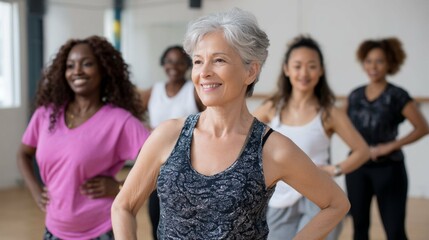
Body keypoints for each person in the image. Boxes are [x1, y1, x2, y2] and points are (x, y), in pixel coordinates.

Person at [112, 8, 350, 240]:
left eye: (218, 60)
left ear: (251, 71)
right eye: (197, 61)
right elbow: (123, 206)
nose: (203, 72)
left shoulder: (273, 149)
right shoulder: (168, 135)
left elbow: (335, 204)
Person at [17, 35, 150, 240]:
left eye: (87, 64)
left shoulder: (119, 121)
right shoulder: (45, 114)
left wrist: (119, 187)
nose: (77, 71)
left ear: (104, 70)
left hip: (101, 228)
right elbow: (23, 154)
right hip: (54, 229)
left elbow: (160, 164)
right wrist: (36, 191)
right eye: (70, 66)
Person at [253, 35, 369, 240]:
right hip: (280, 198)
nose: (304, 73)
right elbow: (242, 137)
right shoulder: (272, 108)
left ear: (321, 70)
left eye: (312, 66)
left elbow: (362, 150)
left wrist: (335, 169)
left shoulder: (329, 112)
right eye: (297, 66)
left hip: (319, 199)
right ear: (287, 69)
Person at [345, 37, 429, 240]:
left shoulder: (398, 95)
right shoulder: (355, 95)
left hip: (389, 170)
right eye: (368, 60)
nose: (372, 66)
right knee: (359, 229)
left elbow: (422, 128)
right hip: (358, 169)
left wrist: (389, 147)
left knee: (395, 231)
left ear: (390, 63)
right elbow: (342, 128)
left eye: (379, 61)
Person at [138, 45, 205, 239]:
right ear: (163, 64)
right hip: (158, 168)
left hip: (190, 169)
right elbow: (130, 116)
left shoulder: (194, 91)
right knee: (156, 218)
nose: (174, 66)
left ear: (187, 65)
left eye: (179, 61)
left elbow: (212, 119)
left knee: (187, 223)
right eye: (169, 61)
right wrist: (146, 133)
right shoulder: (154, 91)